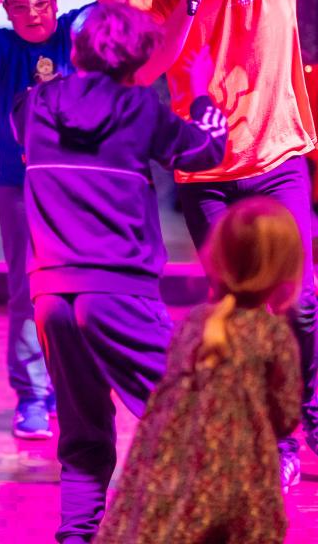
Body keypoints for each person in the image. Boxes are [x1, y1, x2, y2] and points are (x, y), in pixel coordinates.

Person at [127, 0, 318, 489]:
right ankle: (268, 431)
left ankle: (304, 417)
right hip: (207, 175)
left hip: (276, 163)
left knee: (297, 300)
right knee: (233, 310)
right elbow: (146, 69)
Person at [11, 2, 228, 544]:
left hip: (52, 295)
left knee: (83, 437)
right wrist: (201, 94)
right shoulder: (141, 110)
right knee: (191, 409)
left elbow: (27, 124)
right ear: (137, 57)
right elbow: (206, 151)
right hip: (117, 290)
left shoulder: (32, 105)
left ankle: (77, 537)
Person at [0, 0, 129, 438]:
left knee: (87, 291)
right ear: (8, 11)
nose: (34, 14)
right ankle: (32, 396)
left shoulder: (77, 31)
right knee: (28, 294)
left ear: (56, 1)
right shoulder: (4, 49)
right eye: (21, 6)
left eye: (42, 3)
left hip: (84, 193)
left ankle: (75, 386)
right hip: (22, 192)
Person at [95, 197, 303, 544]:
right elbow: (286, 415)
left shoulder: (193, 324)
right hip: (240, 479)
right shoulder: (273, 335)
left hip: (173, 476)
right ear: (285, 269)